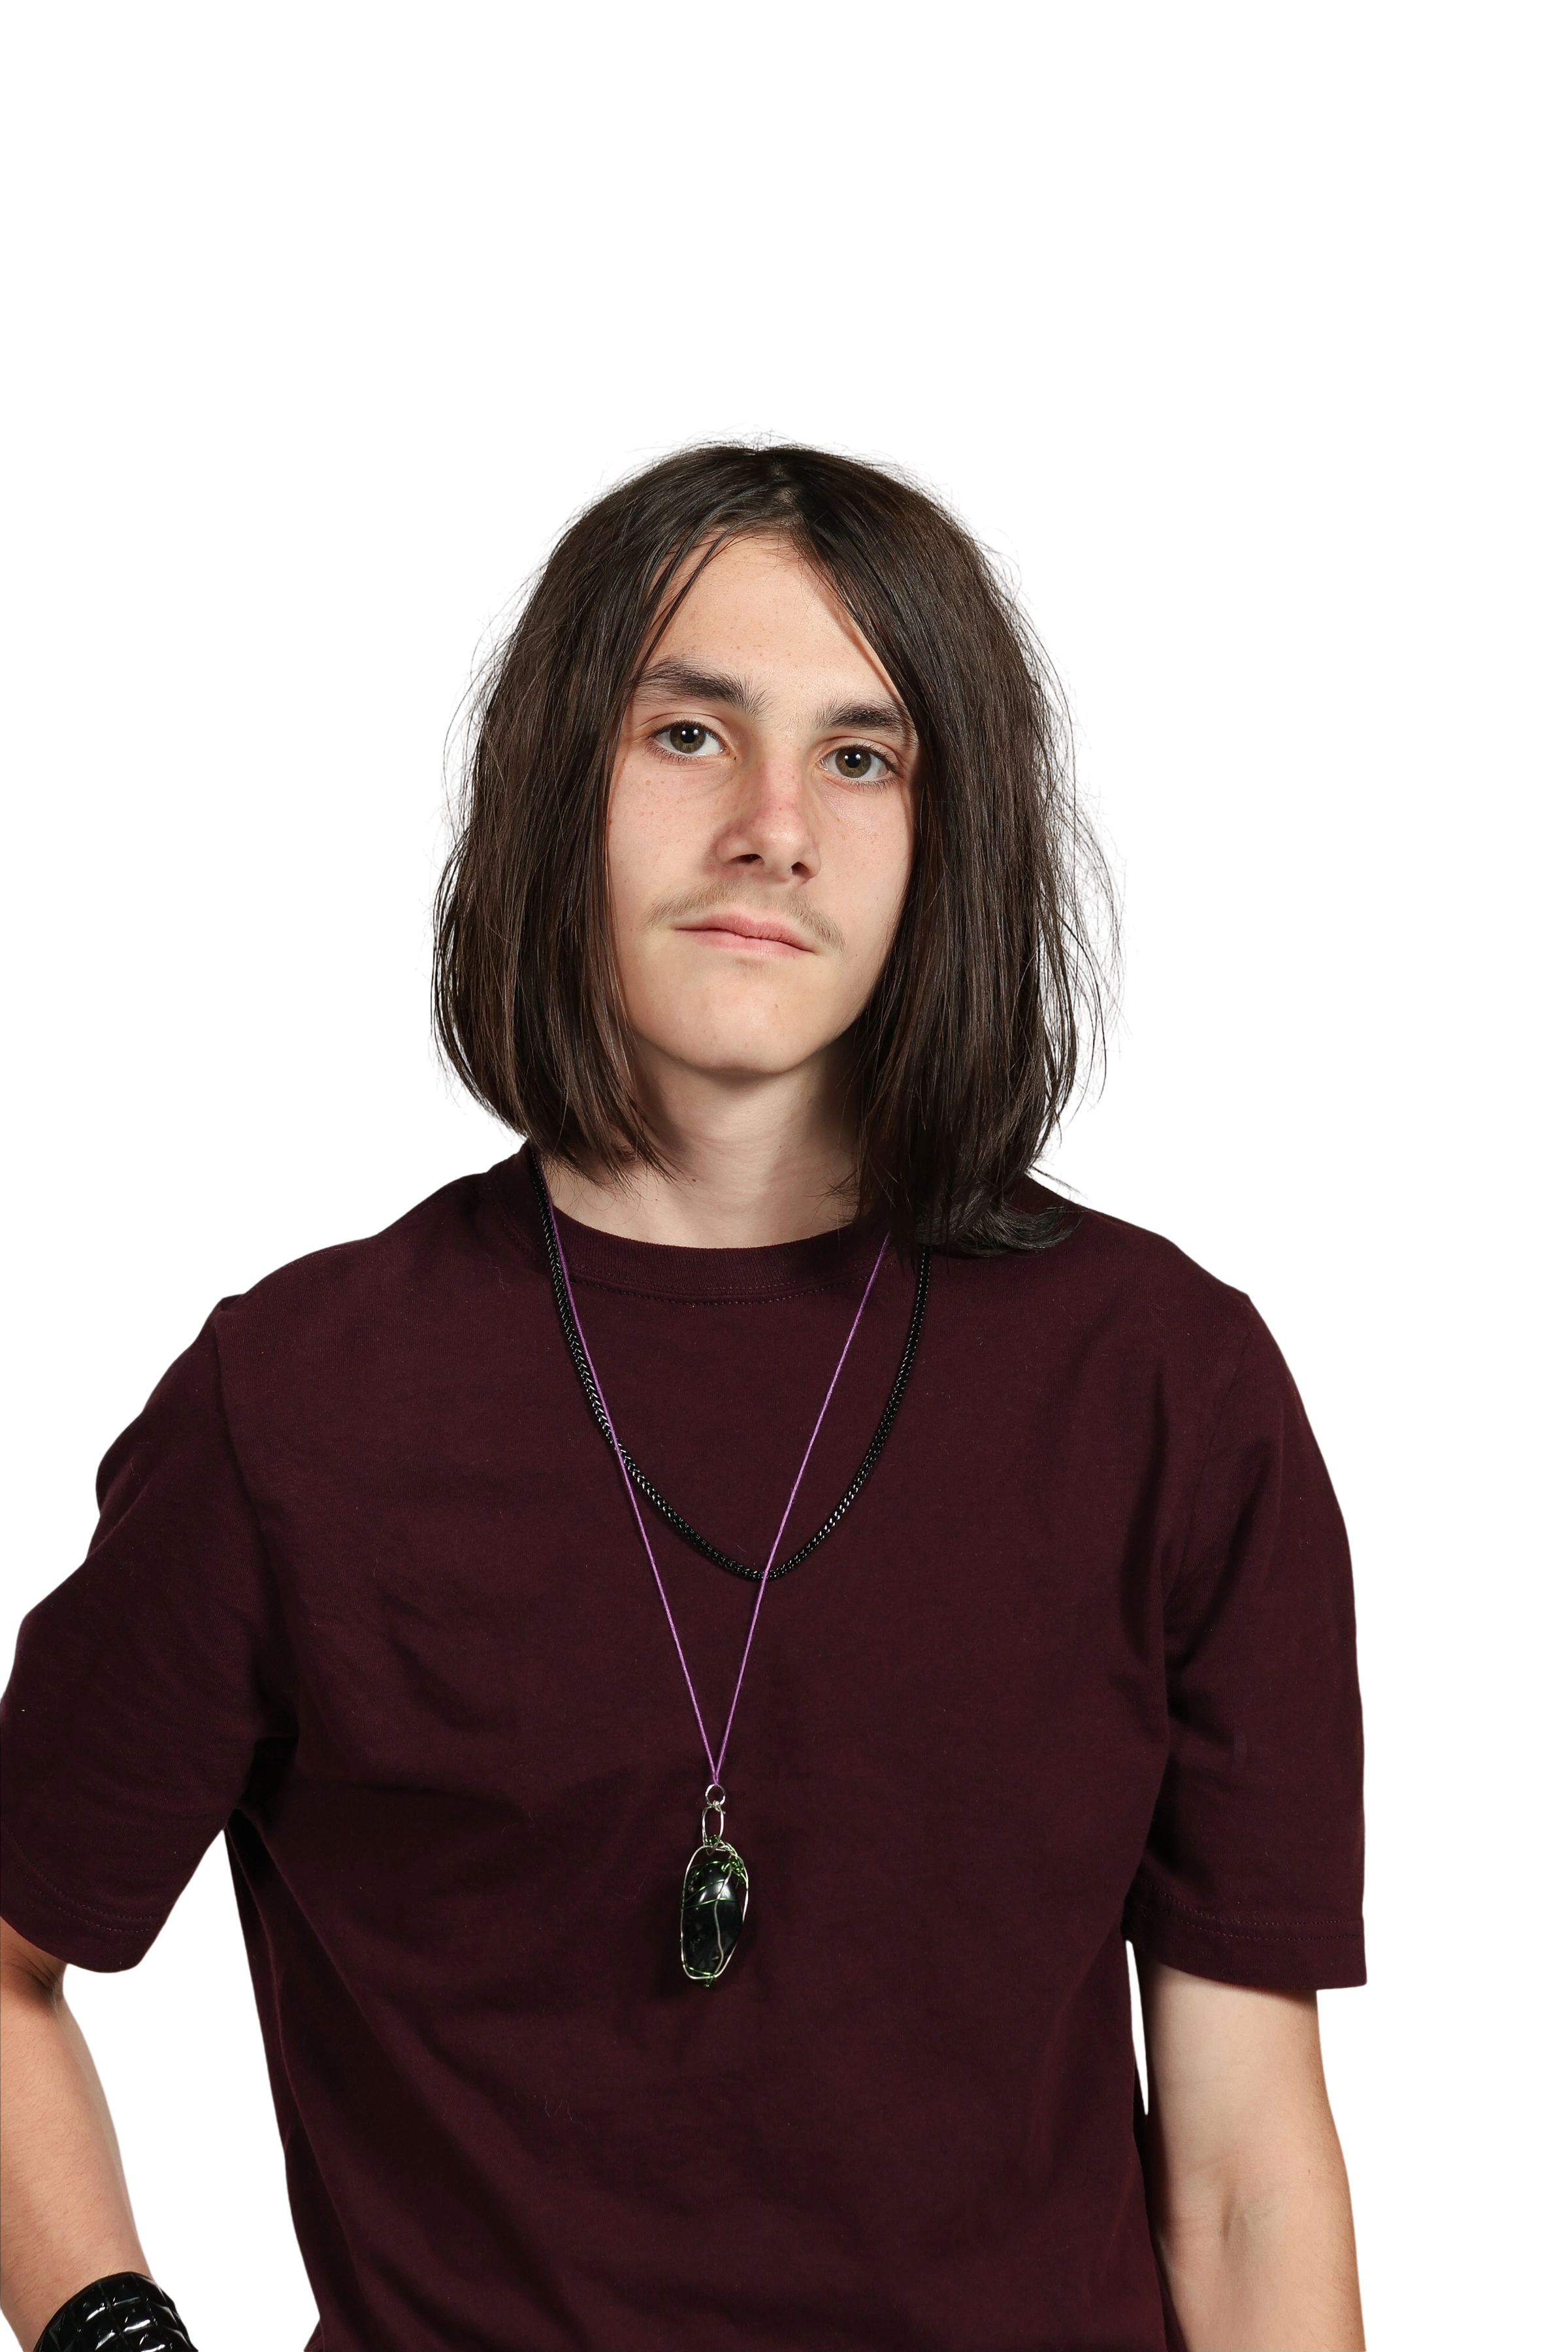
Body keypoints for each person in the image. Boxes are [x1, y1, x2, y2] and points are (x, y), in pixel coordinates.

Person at [0, 427, 1367, 2352]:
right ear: (559, 779)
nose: (774, 828)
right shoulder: (293, 1404)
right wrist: (110, 2332)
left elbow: (1242, 2174)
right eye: (690, 733)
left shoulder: (1173, 1389)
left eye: (863, 756)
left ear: (956, 838)